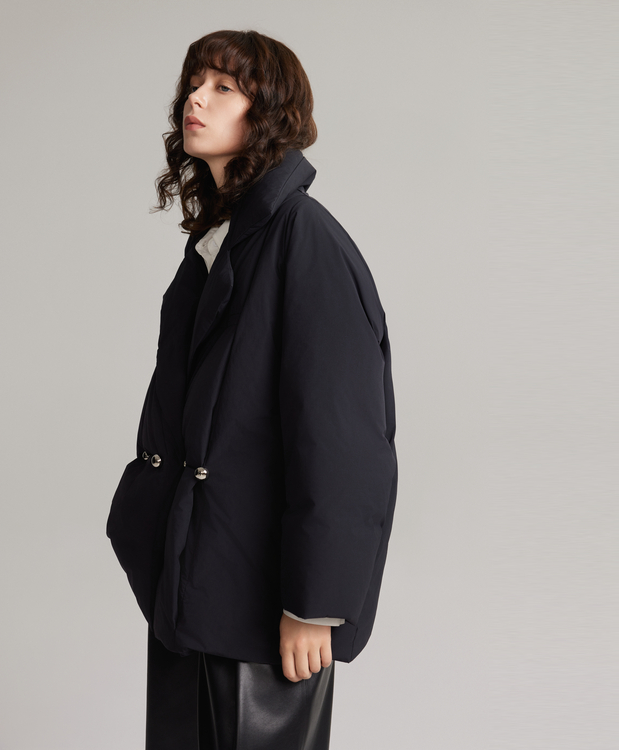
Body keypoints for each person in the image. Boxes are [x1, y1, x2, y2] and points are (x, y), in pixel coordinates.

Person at [106, 29, 398, 750]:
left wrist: (317, 604)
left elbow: (343, 438)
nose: (196, 100)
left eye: (223, 88)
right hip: (193, 586)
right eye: (193, 84)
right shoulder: (223, 241)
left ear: (267, 112)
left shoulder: (305, 241)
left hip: (264, 603)